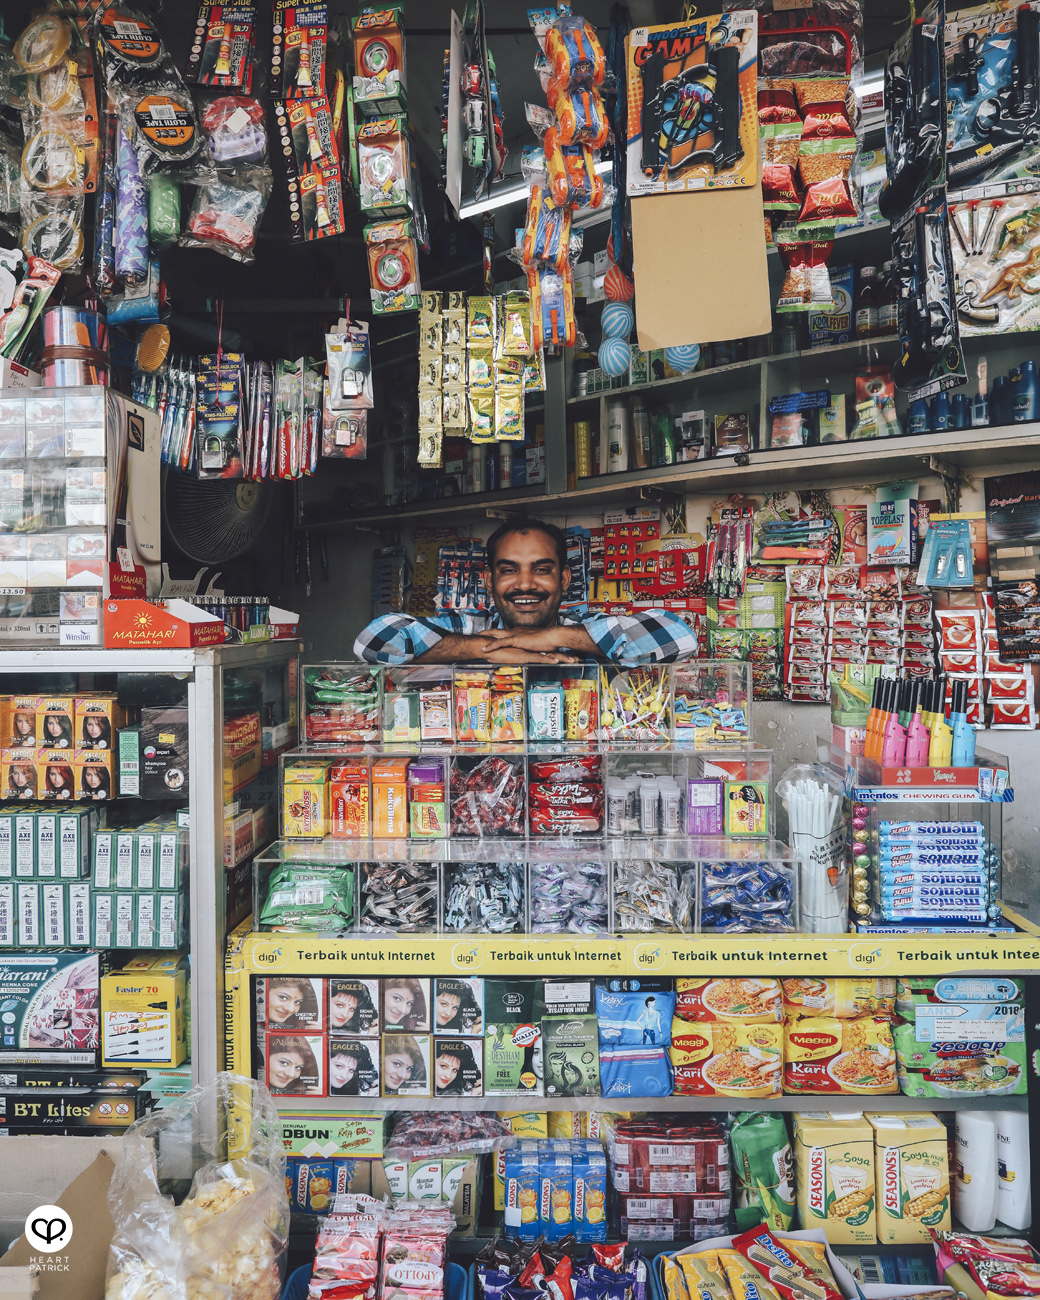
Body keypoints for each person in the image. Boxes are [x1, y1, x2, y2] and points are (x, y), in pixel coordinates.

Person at [354, 520, 699, 665]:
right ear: (488, 580)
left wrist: (554, 637)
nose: (524, 584)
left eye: (541, 569)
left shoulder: (585, 628)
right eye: (508, 570)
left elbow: (680, 636)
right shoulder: (467, 628)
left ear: (564, 579)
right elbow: (373, 640)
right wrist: (488, 650)